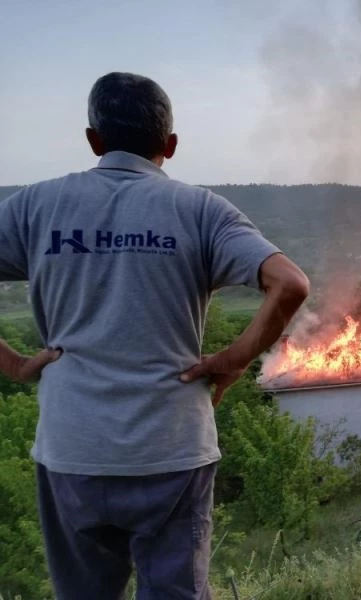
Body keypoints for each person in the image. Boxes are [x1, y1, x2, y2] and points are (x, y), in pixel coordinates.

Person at [0, 72, 309, 599]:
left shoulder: (35, 206)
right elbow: (290, 284)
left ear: (93, 140)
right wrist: (234, 359)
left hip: (73, 451)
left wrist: (15, 365)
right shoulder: (202, 210)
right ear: (170, 145)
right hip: (172, 450)